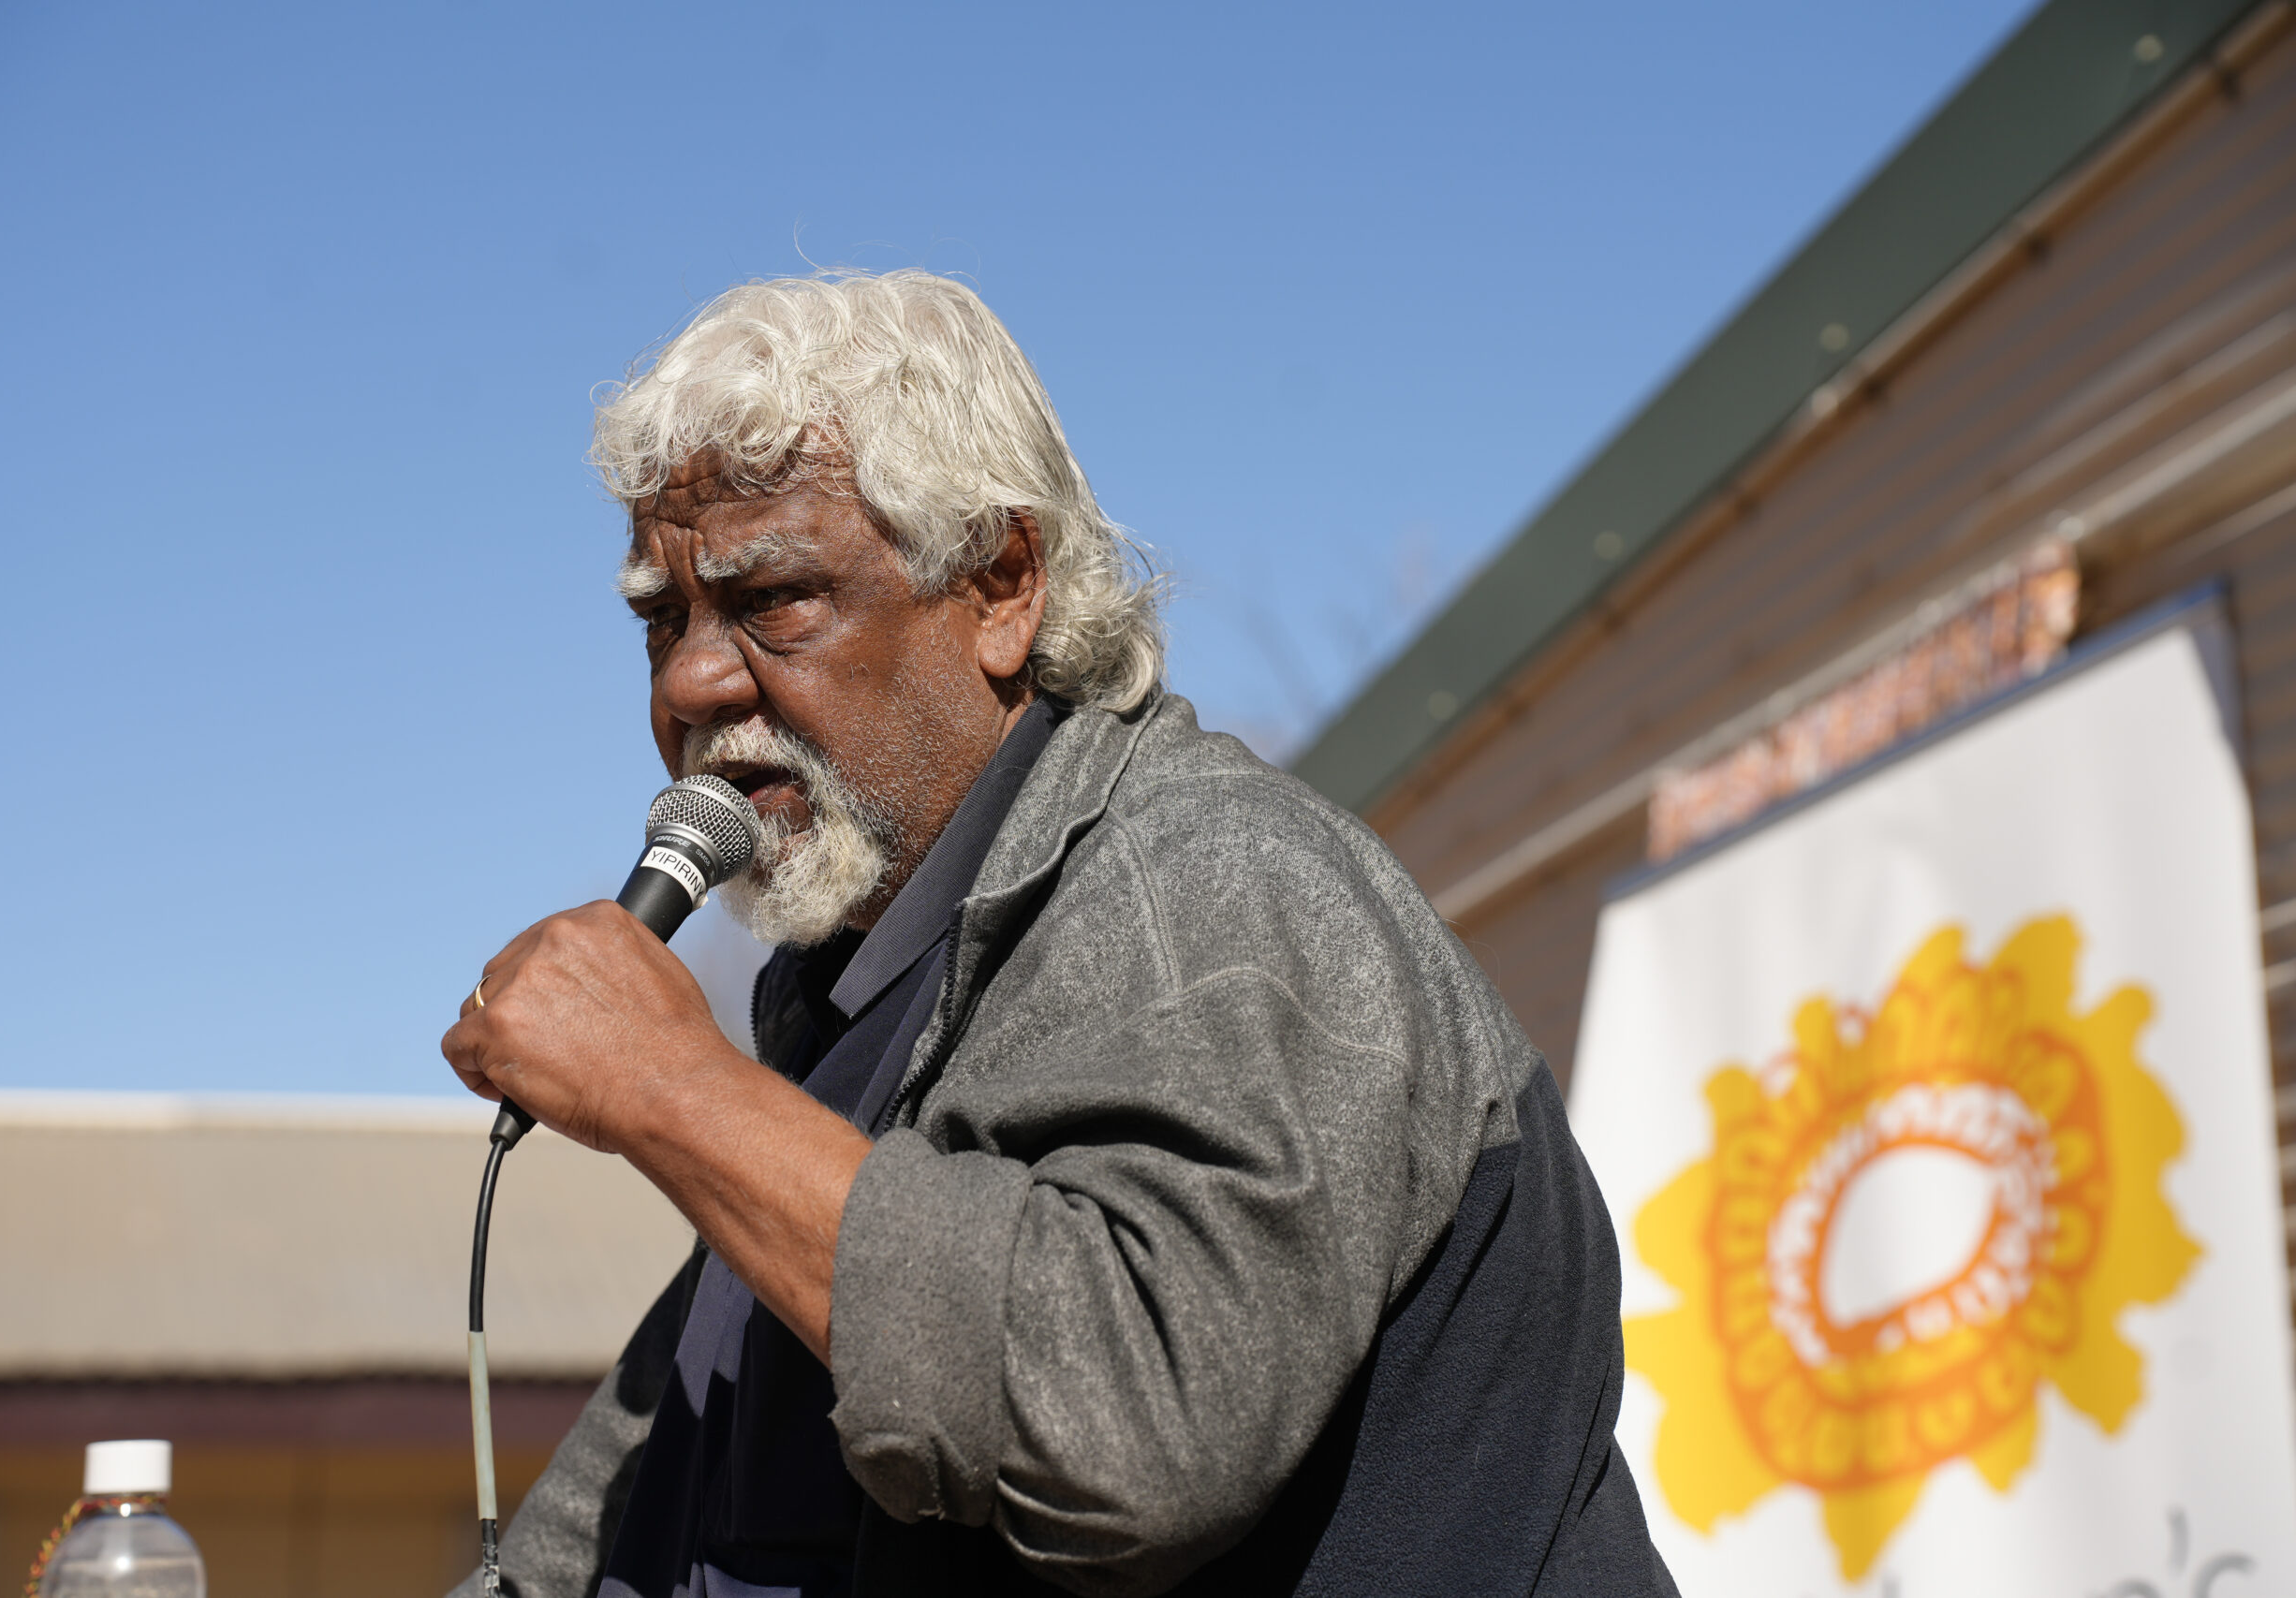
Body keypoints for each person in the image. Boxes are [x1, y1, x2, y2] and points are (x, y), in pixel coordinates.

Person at [440, 271, 1676, 1598]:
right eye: (661, 618)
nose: (691, 679)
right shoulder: (847, 1005)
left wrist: (671, 1088)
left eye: (775, 599)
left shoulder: (1223, 881)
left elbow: (1138, 1429)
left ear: (1001, 588)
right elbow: (633, 1509)